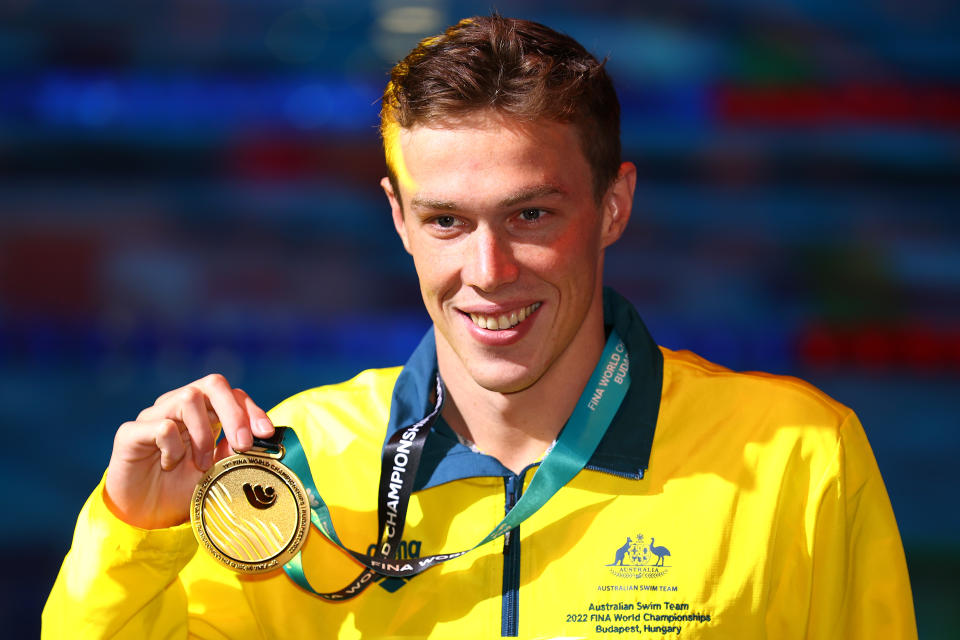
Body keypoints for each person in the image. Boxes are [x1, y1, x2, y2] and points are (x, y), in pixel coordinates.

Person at [43, 14, 917, 639]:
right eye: (447, 221)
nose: (488, 272)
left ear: (614, 206)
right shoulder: (292, 472)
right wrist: (135, 535)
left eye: (531, 215)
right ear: (397, 217)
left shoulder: (799, 457)